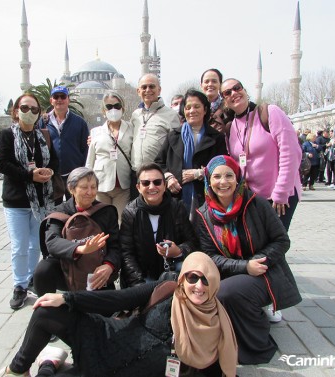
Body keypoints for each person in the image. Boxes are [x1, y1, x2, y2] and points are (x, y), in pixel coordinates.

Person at [0, 252, 238, 377]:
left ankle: (51, 361)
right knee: (46, 311)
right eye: (193, 277)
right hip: (105, 342)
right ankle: (16, 371)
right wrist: (67, 298)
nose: (199, 286)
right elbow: (117, 298)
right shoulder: (168, 289)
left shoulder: (216, 324)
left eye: (206, 281)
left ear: (214, 284)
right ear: (184, 278)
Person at [196, 155, 301, 365]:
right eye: (217, 176)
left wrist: (258, 263)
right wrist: (244, 267)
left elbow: (281, 241)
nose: (223, 182)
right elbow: (209, 255)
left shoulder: (256, 204)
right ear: (208, 180)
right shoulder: (204, 214)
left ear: (238, 179)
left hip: (265, 272)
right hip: (234, 272)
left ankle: (255, 343)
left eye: (229, 176)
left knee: (227, 293)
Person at [0, 92, 59, 310]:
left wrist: (48, 171)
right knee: (19, 246)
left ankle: (32, 279)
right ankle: (19, 285)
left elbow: (55, 161)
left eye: (34, 110)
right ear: (15, 111)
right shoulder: (7, 135)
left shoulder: (43, 136)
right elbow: (3, 164)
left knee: (35, 246)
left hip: (40, 202)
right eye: (25, 108)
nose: (29, 113)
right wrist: (29, 175)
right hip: (16, 201)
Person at [221, 78, 302, 231]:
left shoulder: (269, 112)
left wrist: (281, 191)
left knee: (275, 245)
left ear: (245, 90)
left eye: (237, 88)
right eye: (227, 93)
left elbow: (290, 152)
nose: (234, 93)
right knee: (257, 245)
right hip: (252, 198)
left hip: (279, 196)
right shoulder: (230, 127)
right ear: (225, 101)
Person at [33, 167, 121, 296]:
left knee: (103, 314)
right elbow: (52, 242)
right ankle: (47, 309)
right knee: (43, 269)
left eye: (93, 187)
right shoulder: (59, 211)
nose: (89, 192)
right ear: (71, 189)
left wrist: (109, 265)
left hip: (96, 271)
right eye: (84, 187)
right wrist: (81, 249)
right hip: (68, 268)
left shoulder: (106, 212)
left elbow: (116, 245)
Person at [120, 163, 200, 287]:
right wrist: (139, 286)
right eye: (146, 183)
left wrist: (178, 251)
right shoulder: (130, 212)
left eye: (157, 182)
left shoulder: (177, 208)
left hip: (173, 271)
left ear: (164, 185)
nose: (152, 187)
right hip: (142, 275)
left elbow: (193, 243)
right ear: (138, 187)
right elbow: (126, 253)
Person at [155, 89, 227, 219]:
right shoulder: (173, 136)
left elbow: (223, 166)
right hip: (176, 198)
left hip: (206, 197)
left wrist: (198, 174)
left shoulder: (216, 138)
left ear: (205, 110)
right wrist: (169, 177)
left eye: (197, 106)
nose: (192, 111)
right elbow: (159, 163)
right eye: (188, 107)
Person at [86, 91, 133, 220]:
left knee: (121, 221)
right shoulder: (96, 132)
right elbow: (90, 161)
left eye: (117, 106)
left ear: (122, 108)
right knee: (102, 221)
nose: (113, 110)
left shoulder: (131, 128)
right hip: (101, 184)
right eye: (109, 107)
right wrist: (88, 183)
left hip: (123, 185)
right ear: (103, 110)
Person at [38, 86, 89, 203]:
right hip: (52, 176)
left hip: (74, 175)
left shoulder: (79, 122)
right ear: (51, 100)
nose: (59, 100)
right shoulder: (43, 122)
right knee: (55, 212)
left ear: (68, 100)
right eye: (56, 97)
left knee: (76, 209)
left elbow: (85, 149)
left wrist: (83, 172)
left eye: (63, 96)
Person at [131, 74, 180, 170]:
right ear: (138, 91)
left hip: (159, 174)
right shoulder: (135, 115)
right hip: (136, 173)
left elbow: (176, 149)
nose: (148, 90)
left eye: (152, 86)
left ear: (159, 90)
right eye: (144, 87)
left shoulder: (171, 115)